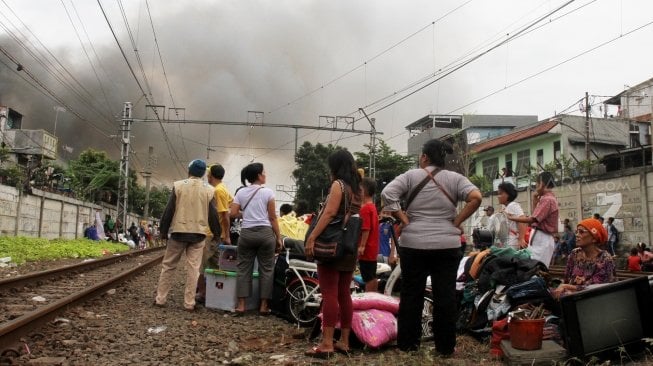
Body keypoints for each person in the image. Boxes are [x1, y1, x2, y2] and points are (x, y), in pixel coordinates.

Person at [381, 139, 482, 355]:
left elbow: (387, 194)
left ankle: (408, 345)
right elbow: (476, 197)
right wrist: (456, 222)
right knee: (444, 295)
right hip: (447, 245)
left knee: (411, 294)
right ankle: (445, 348)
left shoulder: (410, 176)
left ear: (425, 157)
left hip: (414, 244)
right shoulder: (455, 179)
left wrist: (404, 218)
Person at [304, 150, 361, 358]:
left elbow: (329, 213)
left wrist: (312, 237)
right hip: (349, 246)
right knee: (344, 293)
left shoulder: (338, 185)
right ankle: (344, 341)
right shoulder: (358, 188)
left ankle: (326, 343)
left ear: (335, 166)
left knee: (329, 293)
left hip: (331, 244)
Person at [154, 159, 221, 311]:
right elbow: (213, 215)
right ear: (204, 174)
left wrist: (163, 231)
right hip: (198, 235)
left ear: (189, 171)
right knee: (193, 269)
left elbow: (169, 210)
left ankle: (160, 299)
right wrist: (217, 234)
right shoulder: (209, 190)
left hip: (178, 233)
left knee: (169, 266)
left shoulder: (178, 185)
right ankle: (189, 303)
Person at [230, 162, 282, 315]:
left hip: (246, 234)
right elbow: (272, 218)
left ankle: (241, 306)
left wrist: (246, 214)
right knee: (266, 269)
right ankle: (264, 306)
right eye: (264, 172)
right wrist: (278, 237)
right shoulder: (268, 193)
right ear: (259, 176)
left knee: (243, 269)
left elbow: (232, 213)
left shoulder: (240, 193)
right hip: (265, 234)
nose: (265, 174)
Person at [196, 164, 233, 305]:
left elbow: (225, 215)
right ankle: (215, 294)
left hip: (211, 234)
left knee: (201, 266)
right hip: (216, 235)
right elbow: (231, 203)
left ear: (211, 175)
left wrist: (227, 235)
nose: (207, 177)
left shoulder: (217, 191)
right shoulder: (223, 189)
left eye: (208, 174)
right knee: (215, 266)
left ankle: (202, 293)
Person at [552, 218, 616, 299]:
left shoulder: (605, 259)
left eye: (581, 232)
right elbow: (567, 279)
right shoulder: (574, 254)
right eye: (577, 232)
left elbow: (596, 288)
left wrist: (567, 287)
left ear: (594, 238)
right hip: (571, 298)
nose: (577, 235)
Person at [507, 172, 559, 267]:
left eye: (537, 184)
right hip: (540, 237)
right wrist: (535, 201)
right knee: (533, 266)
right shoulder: (548, 198)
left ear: (542, 184)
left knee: (536, 268)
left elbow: (533, 219)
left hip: (543, 238)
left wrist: (512, 218)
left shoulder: (547, 199)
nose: (536, 187)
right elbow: (536, 216)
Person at [358, 177, 380, 292]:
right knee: (371, 275)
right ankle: (373, 296)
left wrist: (362, 246)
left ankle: (369, 297)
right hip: (372, 248)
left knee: (368, 277)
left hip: (366, 249)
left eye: (360, 189)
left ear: (364, 191)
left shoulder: (365, 209)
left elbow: (366, 228)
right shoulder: (373, 207)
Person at [497, 182, 527, 250]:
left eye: (500, 193)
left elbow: (522, 219)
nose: (498, 196)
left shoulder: (512, 205)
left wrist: (521, 239)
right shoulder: (507, 207)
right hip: (508, 241)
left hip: (513, 242)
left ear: (508, 194)